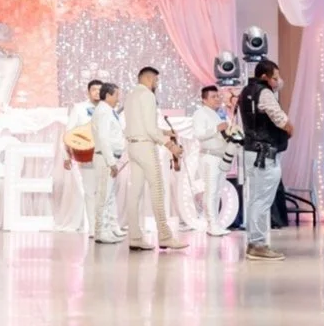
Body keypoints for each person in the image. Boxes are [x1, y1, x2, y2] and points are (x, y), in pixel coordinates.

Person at [123, 67, 186, 251]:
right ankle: (165, 236)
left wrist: (165, 132)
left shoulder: (131, 96)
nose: (157, 84)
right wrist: (170, 144)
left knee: (134, 194)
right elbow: (150, 130)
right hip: (145, 146)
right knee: (157, 191)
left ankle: (135, 237)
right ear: (150, 79)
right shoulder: (148, 96)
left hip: (133, 146)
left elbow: (142, 125)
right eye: (156, 81)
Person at [238, 58, 293, 262]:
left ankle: (254, 241)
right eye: (275, 78)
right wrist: (289, 128)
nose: (277, 81)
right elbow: (280, 118)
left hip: (251, 151)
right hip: (265, 152)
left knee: (254, 199)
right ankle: (258, 244)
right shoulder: (264, 93)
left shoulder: (245, 92)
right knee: (262, 200)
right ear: (264, 77)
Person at [65, 79, 103, 239]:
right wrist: (67, 155)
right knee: (89, 191)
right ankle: (93, 228)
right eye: (93, 89)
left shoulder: (108, 108)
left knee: (104, 192)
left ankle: (104, 226)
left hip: (104, 156)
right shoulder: (79, 108)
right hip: (86, 154)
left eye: (99, 90)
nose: (96, 92)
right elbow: (69, 132)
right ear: (88, 92)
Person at [192, 86, 230, 237]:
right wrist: (217, 128)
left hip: (219, 156)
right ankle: (212, 225)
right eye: (213, 96)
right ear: (204, 99)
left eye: (218, 96)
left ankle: (215, 223)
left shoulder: (215, 114)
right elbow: (199, 134)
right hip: (209, 156)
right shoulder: (200, 114)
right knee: (211, 191)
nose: (217, 99)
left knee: (217, 191)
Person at [91, 82, 125, 244]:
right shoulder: (103, 111)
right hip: (105, 159)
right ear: (109, 95)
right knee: (103, 196)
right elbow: (103, 138)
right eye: (117, 95)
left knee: (109, 196)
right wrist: (111, 162)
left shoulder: (108, 111)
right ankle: (101, 231)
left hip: (110, 158)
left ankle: (110, 227)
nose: (119, 98)